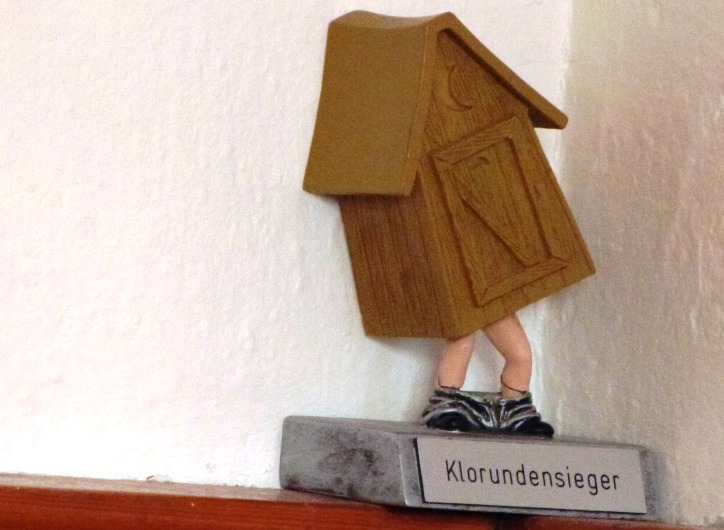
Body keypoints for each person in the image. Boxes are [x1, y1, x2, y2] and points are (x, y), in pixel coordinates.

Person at [421, 314, 554, 436]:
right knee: (462, 340)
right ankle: (446, 405)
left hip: (492, 300)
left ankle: (515, 411)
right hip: (461, 301)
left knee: (520, 353)